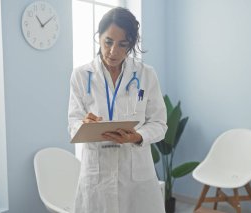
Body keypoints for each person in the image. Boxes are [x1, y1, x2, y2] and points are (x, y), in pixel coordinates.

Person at [68, 7, 167, 213]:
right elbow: (73, 123)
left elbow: (159, 124)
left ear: (131, 44)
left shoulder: (146, 75)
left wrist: (137, 136)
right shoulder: (81, 75)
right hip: (97, 174)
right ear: (99, 37)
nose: (113, 51)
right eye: (108, 42)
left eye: (123, 45)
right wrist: (83, 125)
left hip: (136, 175)